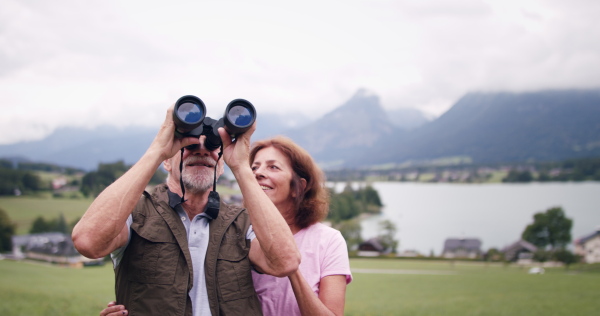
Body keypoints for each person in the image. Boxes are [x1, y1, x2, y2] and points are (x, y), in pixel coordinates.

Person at [72, 106, 300, 316]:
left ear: (220, 165)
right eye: (188, 146)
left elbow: (286, 262)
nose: (201, 151)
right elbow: (88, 242)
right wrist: (156, 150)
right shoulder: (136, 213)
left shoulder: (241, 223)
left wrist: (241, 166)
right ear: (167, 162)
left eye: (212, 147)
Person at [101, 136, 353, 316]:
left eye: (273, 167)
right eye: (253, 167)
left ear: (300, 184)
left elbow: (284, 261)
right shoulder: (241, 226)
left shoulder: (326, 241)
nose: (258, 173)